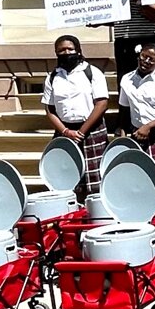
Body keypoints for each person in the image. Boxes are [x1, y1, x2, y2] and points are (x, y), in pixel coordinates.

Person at [41, 35, 109, 199]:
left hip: (91, 130)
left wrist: (81, 132)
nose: (66, 53)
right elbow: (49, 109)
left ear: (78, 50)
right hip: (65, 132)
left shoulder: (92, 72)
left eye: (70, 49)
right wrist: (65, 131)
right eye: (61, 50)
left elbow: (102, 103)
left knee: (95, 180)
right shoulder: (53, 77)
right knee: (68, 178)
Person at [118, 43, 155, 190]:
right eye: (143, 57)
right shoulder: (127, 79)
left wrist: (148, 127)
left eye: (151, 59)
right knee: (139, 173)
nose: (146, 61)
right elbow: (124, 108)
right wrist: (123, 130)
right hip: (136, 132)